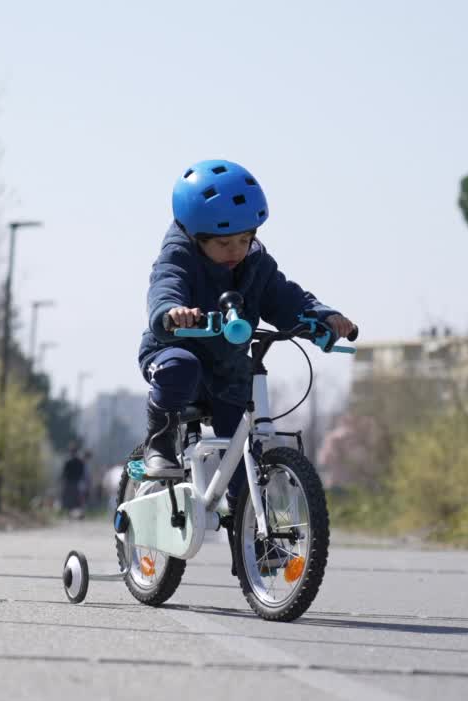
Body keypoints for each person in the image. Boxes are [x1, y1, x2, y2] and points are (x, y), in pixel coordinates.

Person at [137, 159, 356, 519]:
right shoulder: (178, 258)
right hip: (173, 350)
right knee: (182, 365)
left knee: (242, 451)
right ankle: (159, 441)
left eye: (245, 239)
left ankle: (251, 532)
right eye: (224, 243)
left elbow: (287, 298)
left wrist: (323, 318)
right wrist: (172, 312)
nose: (237, 251)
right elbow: (166, 287)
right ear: (195, 236)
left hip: (226, 370)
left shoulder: (255, 265)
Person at [60, 444, 85, 518]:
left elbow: (64, 473)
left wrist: (62, 480)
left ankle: (70, 514)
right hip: (77, 482)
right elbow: (82, 473)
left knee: (69, 499)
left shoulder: (68, 461)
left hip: (69, 482)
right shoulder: (80, 461)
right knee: (77, 499)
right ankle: (79, 514)